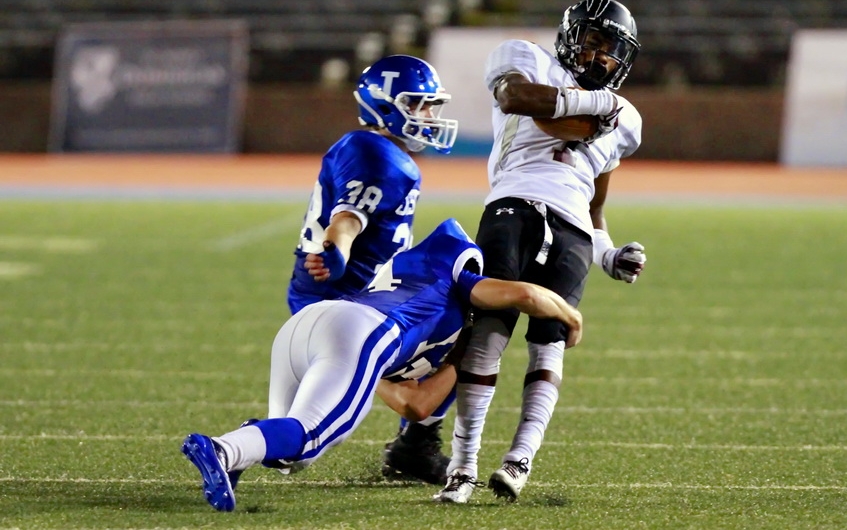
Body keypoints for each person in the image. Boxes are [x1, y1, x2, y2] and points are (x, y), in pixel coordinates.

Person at [180, 219, 584, 512]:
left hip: (308, 324)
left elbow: (415, 405)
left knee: (293, 456)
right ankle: (222, 449)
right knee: (310, 435)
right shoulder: (455, 279)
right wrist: (571, 315)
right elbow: (526, 295)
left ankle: (241, 448)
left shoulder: (402, 279)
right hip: (361, 332)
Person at [434, 0, 647, 504]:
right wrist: (597, 104)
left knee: (550, 341)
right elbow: (517, 98)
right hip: (513, 205)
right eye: (592, 41)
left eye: (611, 50)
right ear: (571, 38)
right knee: (488, 328)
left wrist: (608, 255)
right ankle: (462, 467)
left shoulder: (629, 120)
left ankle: (519, 459)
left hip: (574, 227)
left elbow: (596, 206)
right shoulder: (526, 57)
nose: (600, 56)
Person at [286, 54, 460, 485]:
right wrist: (337, 251)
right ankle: (413, 445)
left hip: (359, 294)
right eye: (418, 104)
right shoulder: (375, 154)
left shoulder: (380, 151)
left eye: (430, 105)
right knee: (464, 331)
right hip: (345, 299)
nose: (428, 115)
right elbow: (347, 219)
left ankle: (412, 444)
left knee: (451, 324)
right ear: (384, 104)